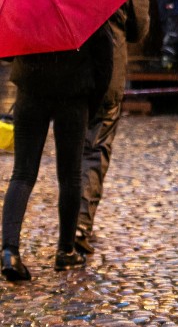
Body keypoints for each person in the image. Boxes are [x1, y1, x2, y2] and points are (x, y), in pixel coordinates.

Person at [2, 24, 113, 280]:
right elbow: (104, 58)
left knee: (22, 174)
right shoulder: (84, 2)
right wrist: (92, 103)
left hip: (30, 88)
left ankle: (10, 251)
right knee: (70, 175)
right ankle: (65, 251)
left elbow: (7, 51)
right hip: (73, 93)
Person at [73, 0, 150, 256]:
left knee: (70, 151)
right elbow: (138, 29)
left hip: (70, 74)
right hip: (109, 75)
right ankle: (79, 225)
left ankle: (67, 227)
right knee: (95, 150)